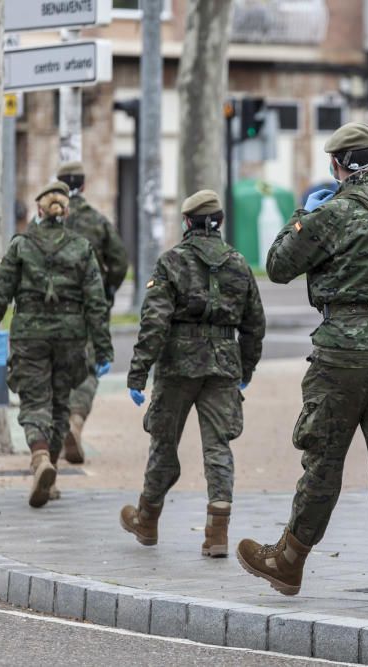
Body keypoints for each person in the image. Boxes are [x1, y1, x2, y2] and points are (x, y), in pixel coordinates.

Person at [235, 122, 368, 614]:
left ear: (337, 166)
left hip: (342, 352)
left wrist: (304, 214)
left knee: (324, 460)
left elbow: (278, 265)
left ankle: (290, 560)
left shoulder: (332, 214)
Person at [120, 190, 265, 558]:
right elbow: (254, 324)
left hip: (178, 366)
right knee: (218, 446)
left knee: (163, 443)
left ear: (187, 222)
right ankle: (217, 533)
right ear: (219, 222)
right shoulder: (238, 263)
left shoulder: (172, 262)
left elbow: (154, 322)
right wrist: (245, 368)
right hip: (224, 366)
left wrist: (138, 374)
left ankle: (147, 520)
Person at [0, 180, 113, 508]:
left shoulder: (21, 245)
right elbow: (96, 302)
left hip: (29, 336)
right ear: (65, 212)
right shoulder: (81, 247)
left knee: (35, 401)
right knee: (60, 403)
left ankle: (40, 460)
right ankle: (50, 477)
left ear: (39, 211)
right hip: (70, 337)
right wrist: (104, 350)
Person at [55, 161, 129, 465]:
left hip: (51, 308)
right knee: (86, 369)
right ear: (83, 186)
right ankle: (75, 422)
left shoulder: (48, 221)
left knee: (52, 370)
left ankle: (50, 438)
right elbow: (121, 261)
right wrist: (108, 290)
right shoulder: (97, 222)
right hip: (89, 308)